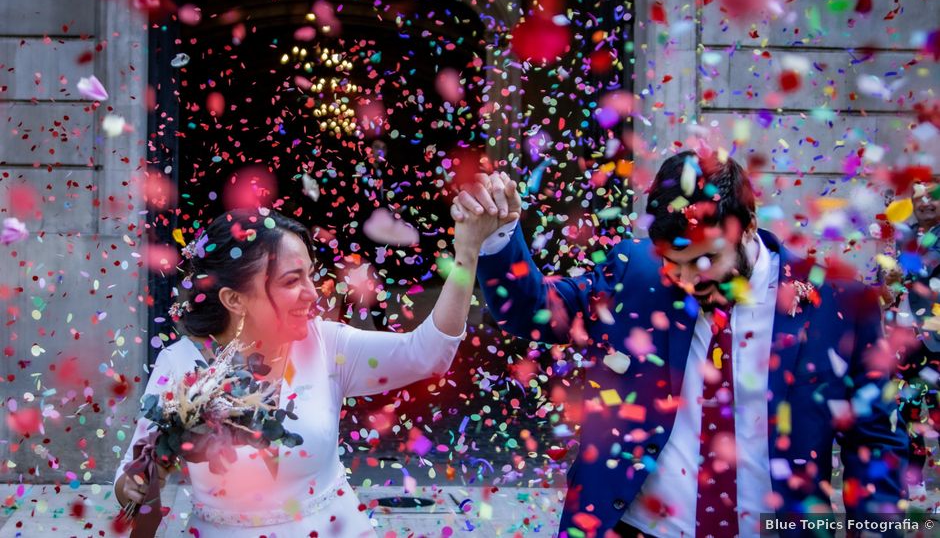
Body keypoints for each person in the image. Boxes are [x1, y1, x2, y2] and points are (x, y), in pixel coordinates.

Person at [452, 150, 908, 537]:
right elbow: (531, 309)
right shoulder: (634, 275)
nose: (690, 280)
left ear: (747, 227)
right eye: (676, 264)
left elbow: (874, 444)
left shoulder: (843, 302)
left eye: (707, 259)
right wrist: (498, 238)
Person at [113, 206, 501, 537]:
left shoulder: (328, 346)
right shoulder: (180, 364)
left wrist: (467, 252)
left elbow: (426, 354)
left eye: (310, 275)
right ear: (234, 299)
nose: (313, 293)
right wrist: (135, 484)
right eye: (291, 281)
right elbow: (135, 469)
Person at [882, 181, 940, 505]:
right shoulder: (905, 234)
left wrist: (898, 274)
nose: (927, 203)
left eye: (934, 198)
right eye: (920, 198)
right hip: (905, 342)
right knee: (908, 413)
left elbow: (927, 269)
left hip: (936, 341)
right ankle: (914, 485)